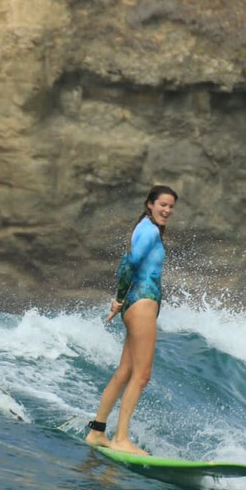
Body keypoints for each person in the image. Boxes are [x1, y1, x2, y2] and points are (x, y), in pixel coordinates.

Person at [86, 185, 178, 455]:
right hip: (142, 305)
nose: (167, 210)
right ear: (150, 204)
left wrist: (121, 301)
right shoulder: (149, 230)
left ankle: (97, 432)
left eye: (171, 206)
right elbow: (129, 263)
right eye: (163, 204)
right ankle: (122, 438)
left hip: (138, 304)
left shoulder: (146, 229)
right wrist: (118, 298)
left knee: (125, 372)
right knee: (142, 375)